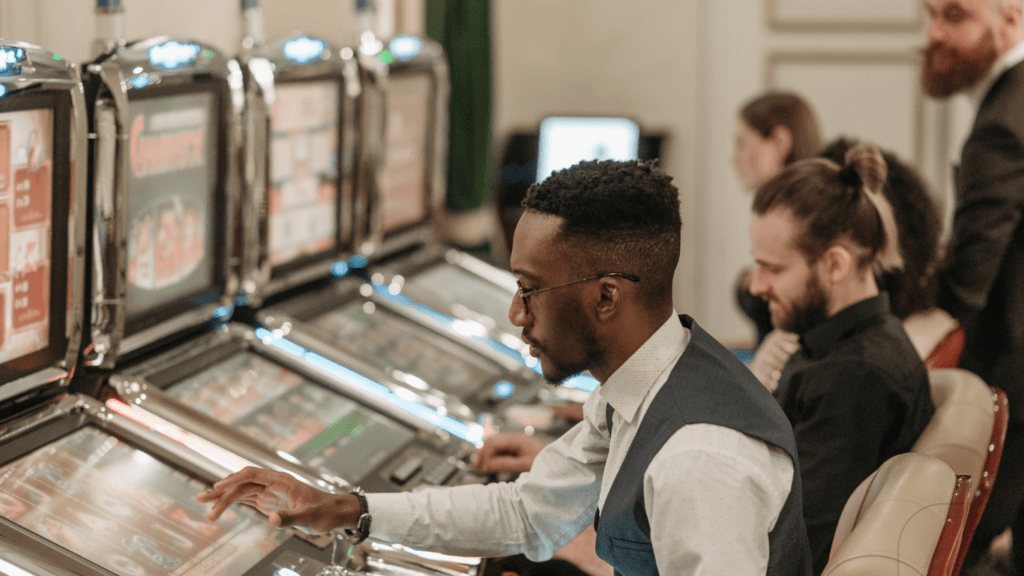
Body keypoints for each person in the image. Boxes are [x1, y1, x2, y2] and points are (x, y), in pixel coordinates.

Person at [198, 159, 813, 575]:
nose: (516, 313)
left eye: (530, 288)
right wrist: (346, 510)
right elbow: (528, 514)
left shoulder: (697, 462)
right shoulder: (650, 380)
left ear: (606, 296)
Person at [748, 145, 934, 575]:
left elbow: (798, 551)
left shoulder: (853, 378)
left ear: (834, 264)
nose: (757, 285)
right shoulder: (835, 349)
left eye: (772, 269)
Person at [922, 0, 1024, 558]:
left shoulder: (1005, 121)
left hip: (1012, 374)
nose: (936, 33)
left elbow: (970, 281)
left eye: (955, 16)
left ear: (1009, 17)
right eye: (931, 14)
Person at [733, 92, 823, 345]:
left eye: (742, 143)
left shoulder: (806, 218)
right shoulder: (782, 214)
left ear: (780, 142)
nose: (734, 158)